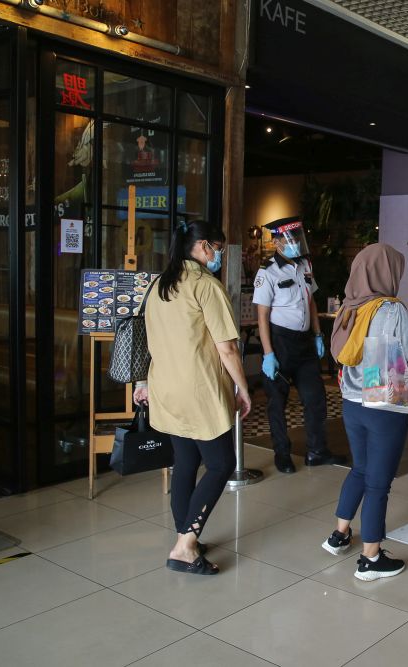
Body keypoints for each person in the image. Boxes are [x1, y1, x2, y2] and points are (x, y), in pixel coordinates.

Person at [133, 220, 251, 576]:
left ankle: (185, 534)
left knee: (185, 462)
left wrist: (142, 382)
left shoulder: (157, 286)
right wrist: (243, 387)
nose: (218, 255)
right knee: (220, 464)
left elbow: (144, 341)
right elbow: (227, 348)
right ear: (201, 247)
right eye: (217, 247)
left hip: (165, 390)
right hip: (198, 391)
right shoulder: (204, 286)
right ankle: (185, 546)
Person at [323, 243, 408, 581]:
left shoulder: (350, 307)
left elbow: (366, 351)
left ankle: (339, 535)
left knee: (361, 469)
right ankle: (370, 558)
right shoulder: (392, 309)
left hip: (352, 402)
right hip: (383, 405)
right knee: (378, 484)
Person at [254, 217, 345, 473]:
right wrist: (268, 354)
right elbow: (262, 315)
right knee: (277, 401)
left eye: (297, 237)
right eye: (289, 239)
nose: (294, 243)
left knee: (315, 397)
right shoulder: (267, 271)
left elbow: (311, 302)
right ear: (276, 242)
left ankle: (317, 451)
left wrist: (318, 335)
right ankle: (282, 453)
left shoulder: (305, 264)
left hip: (305, 343)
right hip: (280, 343)